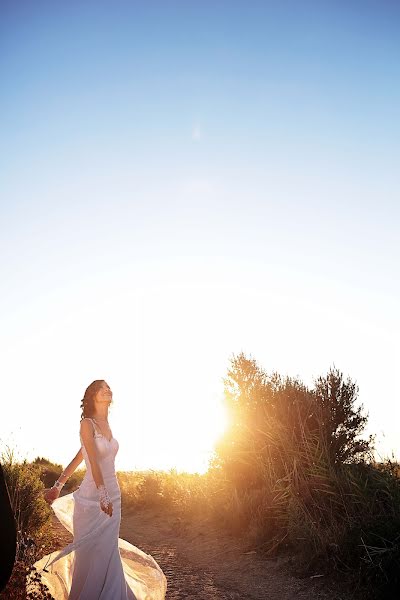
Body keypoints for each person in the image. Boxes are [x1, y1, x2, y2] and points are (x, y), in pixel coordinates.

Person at [33, 380, 167, 599]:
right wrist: (62, 487)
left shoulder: (107, 424)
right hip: (91, 499)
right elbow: (91, 461)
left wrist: (108, 494)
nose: (108, 390)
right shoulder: (87, 424)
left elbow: (79, 457)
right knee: (87, 552)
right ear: (92, 395)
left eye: (109, 388)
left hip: (114, 494)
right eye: (102, 388)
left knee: (107, 548)